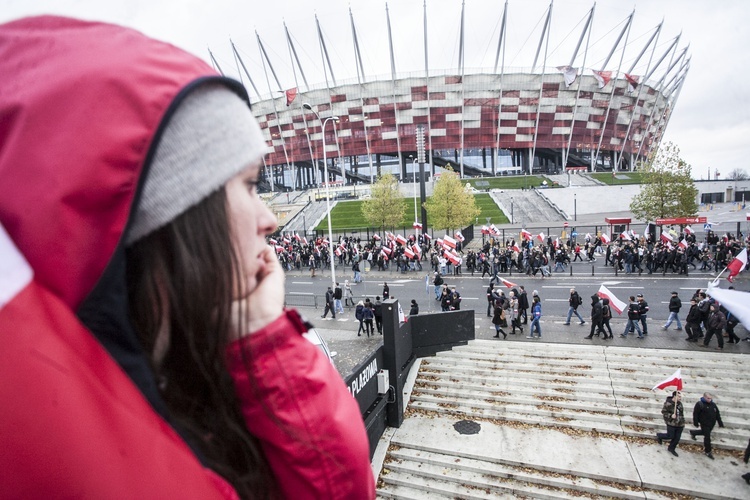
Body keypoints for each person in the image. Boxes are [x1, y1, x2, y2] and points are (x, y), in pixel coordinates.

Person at [0, 16, 374, 499]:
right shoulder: (94, 460)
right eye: (249, 185)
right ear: (176, 220)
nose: (270, 219)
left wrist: (264, 344)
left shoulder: (179, 375)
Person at [689, 392, 724, 459]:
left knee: (705, 432)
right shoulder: (700, 404)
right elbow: (695, 414)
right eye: (708, 398)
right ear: (704, 397)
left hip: (711, 424)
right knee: (707, 437)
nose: (710, 400)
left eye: (710, 398)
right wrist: (695, 422)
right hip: (704, 423)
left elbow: (717, 414)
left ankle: (693, 432)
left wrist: (720, 422)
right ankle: (708, 451)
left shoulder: (713, 404)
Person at [656, 391, 685, 457]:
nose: (680, 398)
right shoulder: (668, 404)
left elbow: (681, 413)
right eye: (679, 396)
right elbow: (664, 412)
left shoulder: (680, 404)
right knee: (670, 436)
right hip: (671, 423)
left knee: (677, 438)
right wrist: (671, 416)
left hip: (680, 424)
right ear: (674, 396)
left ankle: (671, 448)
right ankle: (659, 436)